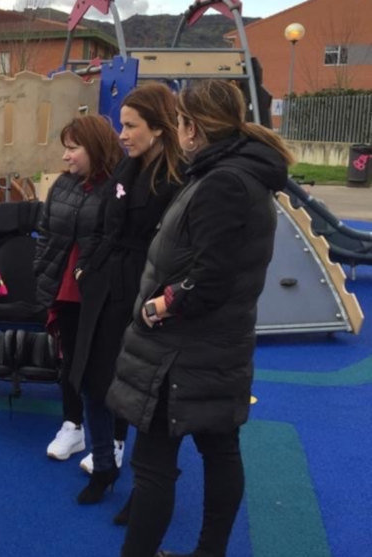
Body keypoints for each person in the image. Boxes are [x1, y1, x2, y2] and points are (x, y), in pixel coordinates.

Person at [106, 79, 294, 557]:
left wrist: (160, 306)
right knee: (218, 448)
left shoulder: (224, 182)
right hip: (216, 344)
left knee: (155, 466)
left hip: (183, 349)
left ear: (191, 126)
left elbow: (210, 276)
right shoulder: (233, 171)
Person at [70, 82, 185, 506]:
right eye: (121, 125)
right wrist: (87, 267)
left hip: (144, 295)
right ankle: (104, 466)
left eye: (130, 125)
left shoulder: (176, 180)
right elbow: (103, 224)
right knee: (90, 381)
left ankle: (146, 485)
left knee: (142, 395)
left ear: (157, 129)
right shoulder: (125, 169)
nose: (122, 134)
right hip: (103, 288)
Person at [34, 115, 121, 465]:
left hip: (99, 290)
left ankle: (115, 439)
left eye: (73, 149)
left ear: (95, 149)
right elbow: (45, 232)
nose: (66, 157)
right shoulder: (63, 186)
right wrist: (41, 271)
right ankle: (73, 425)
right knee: (69, 359)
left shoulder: (118, 187)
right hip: (64, 285)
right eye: (65, 149)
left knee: (105, 364)